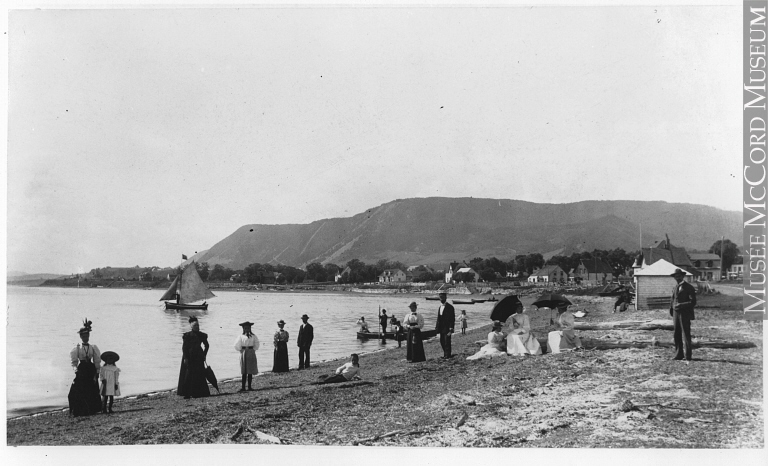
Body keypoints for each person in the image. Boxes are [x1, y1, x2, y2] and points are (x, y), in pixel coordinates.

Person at [68, 319, 102, 416]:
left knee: (92, 388)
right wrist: (76, 370)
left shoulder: (93, 347)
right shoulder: (77, 348)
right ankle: (80, 410)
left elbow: (97, 360)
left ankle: (92, 409)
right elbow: (74, 362)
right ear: (80, 337)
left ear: (89, 336)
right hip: (82, 369)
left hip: (90, 369)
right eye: (83, 336)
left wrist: (97, 372)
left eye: (87, 336)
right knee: (78, 389)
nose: (85, 338)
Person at [177, 316, 210, 399]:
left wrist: (204, 355)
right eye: (195, 326)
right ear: (191, 326)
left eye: (198, 325)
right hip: (189, 356)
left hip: (198, 356)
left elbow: (207, 345)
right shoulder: (187, 335)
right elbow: (184, 347)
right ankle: (187, 393)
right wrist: (185, 358)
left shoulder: (202, 335)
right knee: (188, 375)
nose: (197, 327)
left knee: (198, 375)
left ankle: (198, 392)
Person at [669, 268, 697, 362]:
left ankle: (688, 355)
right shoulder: (675, 287)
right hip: (676, 313)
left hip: (685, 313)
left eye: (679, 276)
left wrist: (681, 305)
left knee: (686, 334)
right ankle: (678, 354)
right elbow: (673, 300)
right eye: (676, 277)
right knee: (676, 334)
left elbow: (693, 302)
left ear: (683, 276)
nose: (677, 278)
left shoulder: (689, 287)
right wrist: (671, 309)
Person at [234, 321, 260, 391]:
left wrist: (253, 350)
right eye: (245, 328)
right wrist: (240, 350)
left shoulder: (253, 336)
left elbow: (257, 344)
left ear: (250, 328)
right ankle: (243, 387)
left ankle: (249, 386)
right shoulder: (241, 336)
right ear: (243, 329)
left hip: (251, 352)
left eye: (248, 328)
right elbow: (236, 345)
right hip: (244, 353)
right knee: (244, 370)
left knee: (250, 370)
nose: (247, 329)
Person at [435, 291, 455, 359]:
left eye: (442, 297)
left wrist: (451, 327)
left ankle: (448, 355)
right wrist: (436, 327)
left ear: (446, 298)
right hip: (441, 327)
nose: (441, 299)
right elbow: (438, 318)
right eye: (440, 297)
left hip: (447, 327)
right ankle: (445, 354)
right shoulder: (440, 307)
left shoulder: (450, 307)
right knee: (442, 341)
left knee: (447, 341)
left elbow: (452, 318)